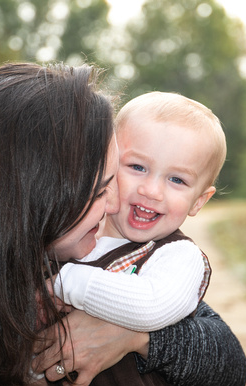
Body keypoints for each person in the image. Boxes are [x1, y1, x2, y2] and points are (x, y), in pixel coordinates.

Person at [0, 62, 246, 386]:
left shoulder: (103, 245)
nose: (118, 202)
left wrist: (133, 335)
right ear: (34, 196)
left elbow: (228, 361)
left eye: (175, 179)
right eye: (102, 189)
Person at [52, 92, 226, 333]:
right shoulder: (75, 231)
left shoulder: (178, 255)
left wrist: (60, 283)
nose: (152, 191)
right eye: (137, 167)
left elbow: (151, 307)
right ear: (108, 162)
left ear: (198, 201)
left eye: (176, 179)